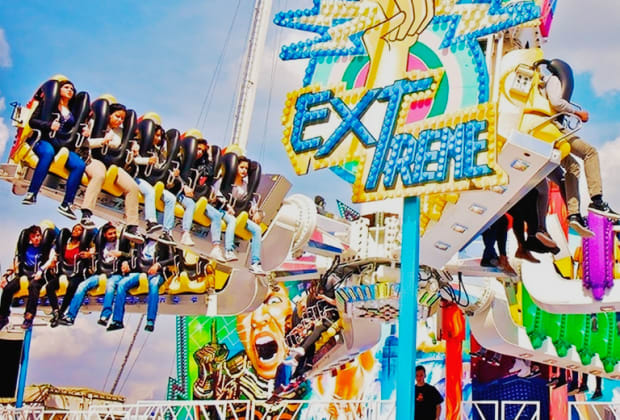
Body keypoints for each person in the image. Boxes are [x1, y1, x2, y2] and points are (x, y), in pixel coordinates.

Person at [538, 59, 619, 236]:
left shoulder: (537, 87)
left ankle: (574, 214)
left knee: (572, 166)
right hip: (551, 129)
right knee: (590, 152)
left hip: (540, 132)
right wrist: (577, 113)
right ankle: (597, 200)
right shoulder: (553, 80)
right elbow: (556, 102)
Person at [22, 80, 89, 220]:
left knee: (79, 165)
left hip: (62, 144)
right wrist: (49, 125)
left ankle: (66, 204)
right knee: (48, 153)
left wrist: (84, 131)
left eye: (72, 89)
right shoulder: (47, 104)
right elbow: (32, 121)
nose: (70, 90)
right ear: (59, 90)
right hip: (44, 140)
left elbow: (74, 129)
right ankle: (32, 193)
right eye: (66, 87)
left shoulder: (72, 111)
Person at [80, 103, 142, 243]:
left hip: (112, 164)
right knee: (99, 175)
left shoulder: (120, 132)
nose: (119, 120)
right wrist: (103, 141)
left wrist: (133, 147)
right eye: (117, 116)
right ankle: (86, 214)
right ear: (109, 115)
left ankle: (132, 226)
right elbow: (85, 143)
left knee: (132, 187)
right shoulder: (94, 123)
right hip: (94, 159)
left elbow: (119, 145)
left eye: (122, 119)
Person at [59, 223, 130, 325]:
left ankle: (105, 316)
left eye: (114, 233)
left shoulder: (122, 243)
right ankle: (70, 317)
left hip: (116, 273)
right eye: (110, 234)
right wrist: (88, 254)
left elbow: (131, 254)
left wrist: (121, 254)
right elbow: (94, 252)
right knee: (82, 285)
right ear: (104, 235)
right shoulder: (101, 245)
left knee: (110, 285)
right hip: (101, 273)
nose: (113, 235)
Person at [106, 237, 174, 332]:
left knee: (153, 285)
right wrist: (126, 263)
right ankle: (117, 320)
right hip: (140, 272)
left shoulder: (165, 240)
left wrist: (158, 265)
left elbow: (173, 259)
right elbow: (132, 256)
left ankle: (150, 321)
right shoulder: (140, 241)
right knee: (122, 284)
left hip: (157, 272)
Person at [211, 156, 264, 273]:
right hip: (223, 210)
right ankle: (229, 250)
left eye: (246, 168)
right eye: (241, 167)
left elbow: (251, 200)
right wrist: (226, 205)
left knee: (257, 229)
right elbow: (215, 191)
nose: (244, 170)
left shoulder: (245, 185)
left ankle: (255, 262)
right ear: (235, 167)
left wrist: (255, 210)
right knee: (232, 220)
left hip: (238, 214)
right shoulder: (225, 180)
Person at [0, 226, 56, 329]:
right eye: (33, 236)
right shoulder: (25, 248)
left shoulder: (48, 247)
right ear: (29, 238)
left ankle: (29, 316)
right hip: (25, 274)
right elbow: (16, 263)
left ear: (41, 236)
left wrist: (41, 270)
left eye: (38, 235)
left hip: (40, 275)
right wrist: (5, 276)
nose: (36, 238)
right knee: (8, 288)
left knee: (33, 286)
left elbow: (51, 260)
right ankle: (3, 316)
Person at [45, 224, 95, 327]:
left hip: (78, 274)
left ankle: (61, 312)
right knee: (50, 286)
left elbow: (94, 250)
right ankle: (56, 310)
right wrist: (54, 261)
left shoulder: (85, 246)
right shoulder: (64, 246)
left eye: (79, 230)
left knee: (72, 286)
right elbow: (56, 255)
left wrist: (89, 255)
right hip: (65, 272)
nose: (76, 231)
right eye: (74, 229)